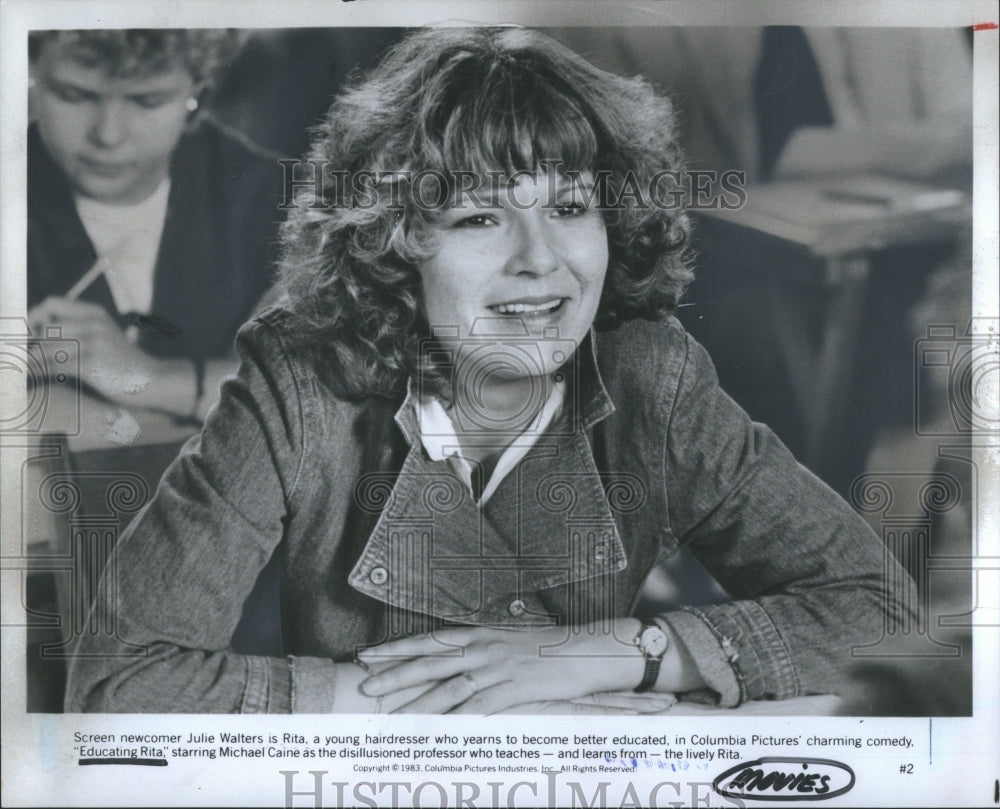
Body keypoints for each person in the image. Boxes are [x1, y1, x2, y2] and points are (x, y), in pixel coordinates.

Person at [65, 26, 913, 714]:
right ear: (396, 243)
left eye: (571, 207)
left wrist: (609, 655)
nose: (541, 260)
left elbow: (885, 613)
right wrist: (400, 693)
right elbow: (119, 681)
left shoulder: (652, 372)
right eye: (479, 216)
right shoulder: (300, 379)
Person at [28, 29, 283, 424]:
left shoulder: (275, 199)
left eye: (147, 101)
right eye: (74, 95)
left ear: (199, 98)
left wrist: (151, 378)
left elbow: (305, 397)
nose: (108, 135)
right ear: (32, 78)